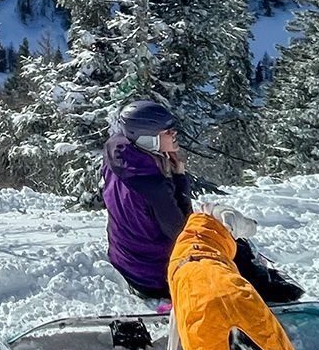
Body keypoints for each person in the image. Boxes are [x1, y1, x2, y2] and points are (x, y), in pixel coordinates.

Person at [103, 98, 302, 304]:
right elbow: (184, 233)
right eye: (167, 132)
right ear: (148, 140)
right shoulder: (154, 186)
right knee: (226, 245)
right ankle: (265, 296)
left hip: (128, 260)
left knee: (224, 237)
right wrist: (180, 177)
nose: (174, 134)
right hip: (155, 276)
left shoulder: (119, 154)